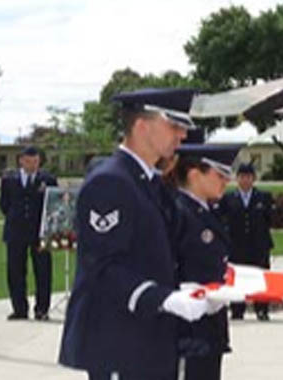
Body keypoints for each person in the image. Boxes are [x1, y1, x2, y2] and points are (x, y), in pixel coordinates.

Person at [59, 88, 221, 380]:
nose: (182, 135)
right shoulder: (111, 182)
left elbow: (168, 249)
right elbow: (104, 267)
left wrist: (211, 284)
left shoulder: (148, 182)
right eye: (174, 125)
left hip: (148, 342)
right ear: (141, 126)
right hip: (118, 342)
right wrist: (162, 298)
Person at [166, 139, 241, 380]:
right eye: (220, 175)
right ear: (195, 174)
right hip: (189, 328)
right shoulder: (178, 212)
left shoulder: (204, 211)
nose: (226, 181)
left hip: (209, 326)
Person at [0, 145, 58, 321]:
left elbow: (53, 204)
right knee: (15, 271)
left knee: (43, 271)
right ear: (21, 160)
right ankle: (19, 309)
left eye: (36, 161)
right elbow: (4, 204)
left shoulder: (47, 179)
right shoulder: (9, 179)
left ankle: (42, 309)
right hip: (15, 231)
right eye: (29, 161)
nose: (33, 165)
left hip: (39, 232)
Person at [218, 162, 275, 321]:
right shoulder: (228, 198)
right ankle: (237, 309)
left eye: (248, 177)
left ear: (254, 179)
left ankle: (262, 309)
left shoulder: (263, 197)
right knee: (238, 278)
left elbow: (269, 219)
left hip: (259, 245)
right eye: (242, 177)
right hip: (236, 245)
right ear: (237, 179)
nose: (245, 180)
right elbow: (221, 220)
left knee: (261, 278)